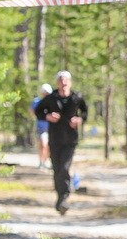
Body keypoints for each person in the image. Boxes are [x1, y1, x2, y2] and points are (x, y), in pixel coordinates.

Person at [34, 70, 89, 215]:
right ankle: (60, 199)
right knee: (57, 169)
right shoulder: (51, 98)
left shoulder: (76, 97)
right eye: (61, 81)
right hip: (55, 139)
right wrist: (48, 116)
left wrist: (79, 120)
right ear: (57, 82)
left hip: (70, 140)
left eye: (66, 81)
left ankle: (64, 197)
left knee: (64, 168)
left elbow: (85, 112)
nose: (63, 84)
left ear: (70, 82)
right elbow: (38, 111)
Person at [30, 83, 53, 169]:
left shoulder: (52, 103)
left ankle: (46, 161)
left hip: (51, 128)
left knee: (48, 146)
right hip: (40, 128)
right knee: (42, 144)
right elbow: (32, 111)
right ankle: (41, 162)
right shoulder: (37, 102)